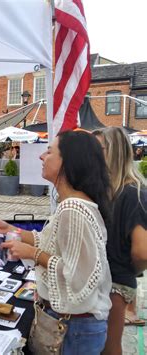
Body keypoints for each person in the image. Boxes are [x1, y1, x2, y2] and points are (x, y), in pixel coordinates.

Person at [0, 131, 112, 354]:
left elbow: (79, 274)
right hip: (71, 325)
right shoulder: (71, 204)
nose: (42, 156)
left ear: (69, 162)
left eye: (50, 151)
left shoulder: (74, 209)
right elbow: (52, 242)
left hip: (73, 329)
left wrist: (32, 253)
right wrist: (13, 230)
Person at [92, 127, 147, 355]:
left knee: (109, 346)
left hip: (115, 282)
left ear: (113, 152)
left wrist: (126, 271)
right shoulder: (107, 189)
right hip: (102, 280)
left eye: (98, 150)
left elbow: (142, 253)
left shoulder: (134, 193)